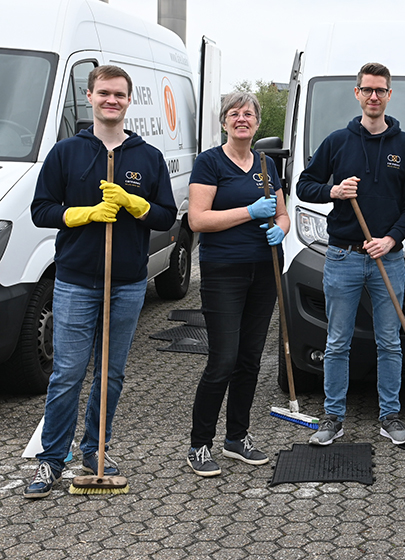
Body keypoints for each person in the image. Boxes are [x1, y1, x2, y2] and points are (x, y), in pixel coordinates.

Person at [26, 65, 177, 498]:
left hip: (127, 282)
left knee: (110, 374)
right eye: (104, 93)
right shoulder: (66, 153)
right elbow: (41, 210)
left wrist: (136, 204)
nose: (112, 101)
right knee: (68, 374)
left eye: (120, 95)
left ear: (130, 101)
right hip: (75, 281)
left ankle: (94, 451)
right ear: (90, 96)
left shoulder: (147, 158)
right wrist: (82, 214)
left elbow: (167, 216)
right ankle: (52, 460)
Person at [296, 62, 405, 446]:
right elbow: (305, 185)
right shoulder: (337, 141)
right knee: (338, 341)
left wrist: (392, 240)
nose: (373, 96)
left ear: (388, 95)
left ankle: (390, 417)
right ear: (357, 93)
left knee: (389, 340)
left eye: (380, 90)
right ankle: (333, 417)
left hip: (388, 258)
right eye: (367, 90)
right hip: (343, 257)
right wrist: (333, 192)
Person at [185, 92, 289, 477]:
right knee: (223, 359)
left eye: (249, 114)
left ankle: (237, 438)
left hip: (263, 270)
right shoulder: (209, 162)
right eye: (234, 113)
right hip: (223, 270)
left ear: (258, 123)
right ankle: (199, 444)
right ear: (224, 122)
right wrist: (248, 212)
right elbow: (198, 220)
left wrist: (280, 228)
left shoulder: (266, 164)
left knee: (250, 358)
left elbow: (282, 214)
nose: (242, 118)